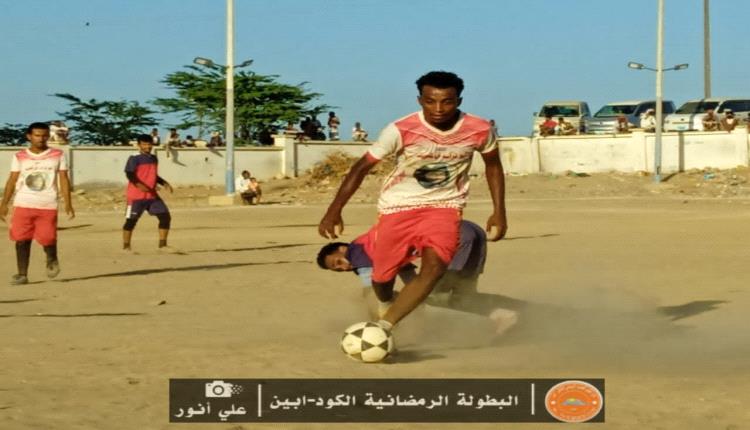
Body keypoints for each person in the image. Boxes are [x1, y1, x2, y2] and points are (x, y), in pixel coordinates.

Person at [318, 71, 508, 332]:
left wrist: (499, 211)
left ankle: (384, 327)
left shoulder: (480, 129)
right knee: (382, 278)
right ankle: (386, 304)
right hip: (398, 208)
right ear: (420, 100)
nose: (438, 109)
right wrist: (334, 210)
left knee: (434, 267)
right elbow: (361, 168)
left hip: (445, 207)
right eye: (430, 101)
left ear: (459, 101)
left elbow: (494, 167)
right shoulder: (400, 129)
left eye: (447, 102)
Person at [317, 220, 521, 334]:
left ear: (342, 248)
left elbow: (372, 293)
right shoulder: (378, 247)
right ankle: (522, 309)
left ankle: (502, 315)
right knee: (462, 293)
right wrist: (412, 300)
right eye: (338, 270)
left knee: (436, 295)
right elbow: (411, 279)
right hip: (469, 229)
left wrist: (379, 326)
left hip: (455, 238)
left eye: (338, 262)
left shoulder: (357, 252)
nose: (344, 267)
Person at [0, 122, 74, 285]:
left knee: (48, 238)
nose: (41, 139)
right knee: (21, 240)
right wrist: (4, 203)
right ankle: (22, 274)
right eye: (37, 135)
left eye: (44, 135)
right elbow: (12, 179)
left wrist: (68, 202)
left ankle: (51, 257)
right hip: (23, 203)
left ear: (49, 136)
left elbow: (63, 178)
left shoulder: (58, 154)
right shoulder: (20, 156)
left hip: (47, 204)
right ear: (29, 136)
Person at [122, 134, 174, 252]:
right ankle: (126, 247)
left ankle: (163, 246)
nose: (147, 146)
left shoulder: (154, 158)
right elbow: (129, 174)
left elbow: (154, 175)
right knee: (131, 221)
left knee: (165, 217)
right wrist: (139, 185)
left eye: (149, 144)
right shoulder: (134, 158)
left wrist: (164, 183)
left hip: (151, 195)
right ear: (139, 145)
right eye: (144, 144)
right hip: (136, 196)